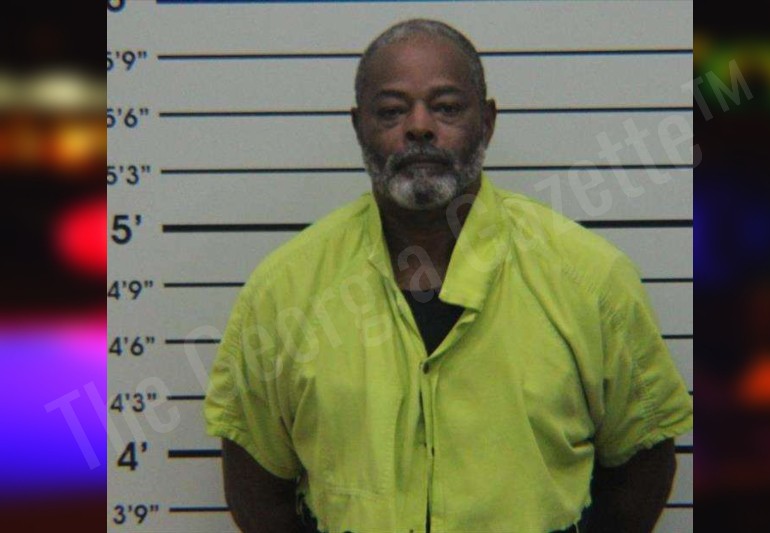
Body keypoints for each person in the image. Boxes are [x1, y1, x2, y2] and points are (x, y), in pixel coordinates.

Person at [204, 19, 693, 533]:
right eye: (391, 110)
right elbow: (255, 486)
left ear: (487, 123)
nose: (419, 127)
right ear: (358, 126)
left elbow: (643, 465)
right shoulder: (284, 290)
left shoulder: (590, 279)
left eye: (447, 108)